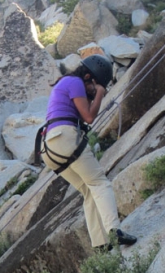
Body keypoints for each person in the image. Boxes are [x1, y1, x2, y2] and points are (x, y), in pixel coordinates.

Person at [39, 54, 137, 250]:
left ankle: (100, 244)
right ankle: (114, 231)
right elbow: (89, 117)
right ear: (89, 78)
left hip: (48, 148)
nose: (93, 92)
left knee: (88, 191)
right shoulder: (75, 82)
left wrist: (97, 92)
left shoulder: (65, 84)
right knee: (100, 182)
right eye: (95, 86)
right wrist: (101, 93)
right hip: (64, 137)